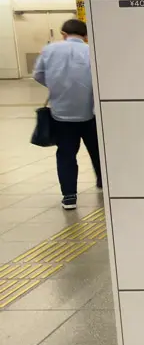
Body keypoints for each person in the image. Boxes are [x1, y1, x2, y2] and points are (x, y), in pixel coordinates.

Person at [33, 19, 101, 210]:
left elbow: (38, 75)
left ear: (63, 33)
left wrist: (56, 87)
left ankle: (69, 196)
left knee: (66, 154)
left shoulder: (49, 50)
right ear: (86, 36)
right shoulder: (91, 51)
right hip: (91, 111)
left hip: (61, 113)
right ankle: (103, 183)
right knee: (97, 150)